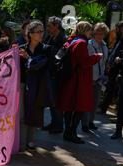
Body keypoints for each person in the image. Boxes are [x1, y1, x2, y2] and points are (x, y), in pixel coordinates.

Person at [57, 21, 103, 144]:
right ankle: (72, 133)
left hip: (69, 79)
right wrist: (97, 56)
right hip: (78, 80)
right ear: (85, 30)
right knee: (79, 107)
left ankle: (68, 132)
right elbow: (84, 62)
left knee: (68, 107)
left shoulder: (71, 40)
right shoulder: (81, 43)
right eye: (90, 30)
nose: (91, 33)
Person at [18, 20, 54, 151]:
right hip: (22, 84)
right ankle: (21, 143)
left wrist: (28, 59)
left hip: (39, 86)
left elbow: (42, 67)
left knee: (35, 112)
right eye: (38, 31)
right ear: (30, 34)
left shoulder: (46, 49)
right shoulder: (21, 48)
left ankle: (31, 141)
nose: (41, 34)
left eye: (42, 31)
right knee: (22, 114)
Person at [82, 22, 109, 133]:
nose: (99, 35)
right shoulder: (89, 45)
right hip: (90, 78)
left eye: (102, 33)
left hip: (99, 79)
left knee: (95, 102)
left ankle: (91, 121)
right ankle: (85, 123)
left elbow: (103, 63)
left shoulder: (105, 46)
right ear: (94, 33)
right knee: (87, 102)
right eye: (97, 33)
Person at [43, 16, 67, 134]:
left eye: (49, 26)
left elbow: (60, 55)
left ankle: (58, 125)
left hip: (57, 74)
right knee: (51, 100)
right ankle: (54, 122)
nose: (47, 28)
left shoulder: (63, 39)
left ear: (57, 26)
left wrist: (48, 49)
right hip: (50, 71)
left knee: (56, 100)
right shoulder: (49, 37)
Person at [99, 21, 123, 114]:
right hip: (113, 67)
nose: (115, 31)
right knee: (110, 88)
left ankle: (110, 109)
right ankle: (104, 107)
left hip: (119, 69)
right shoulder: (121, 38)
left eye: (117, 28)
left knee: (113, 89)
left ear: (122, 29)